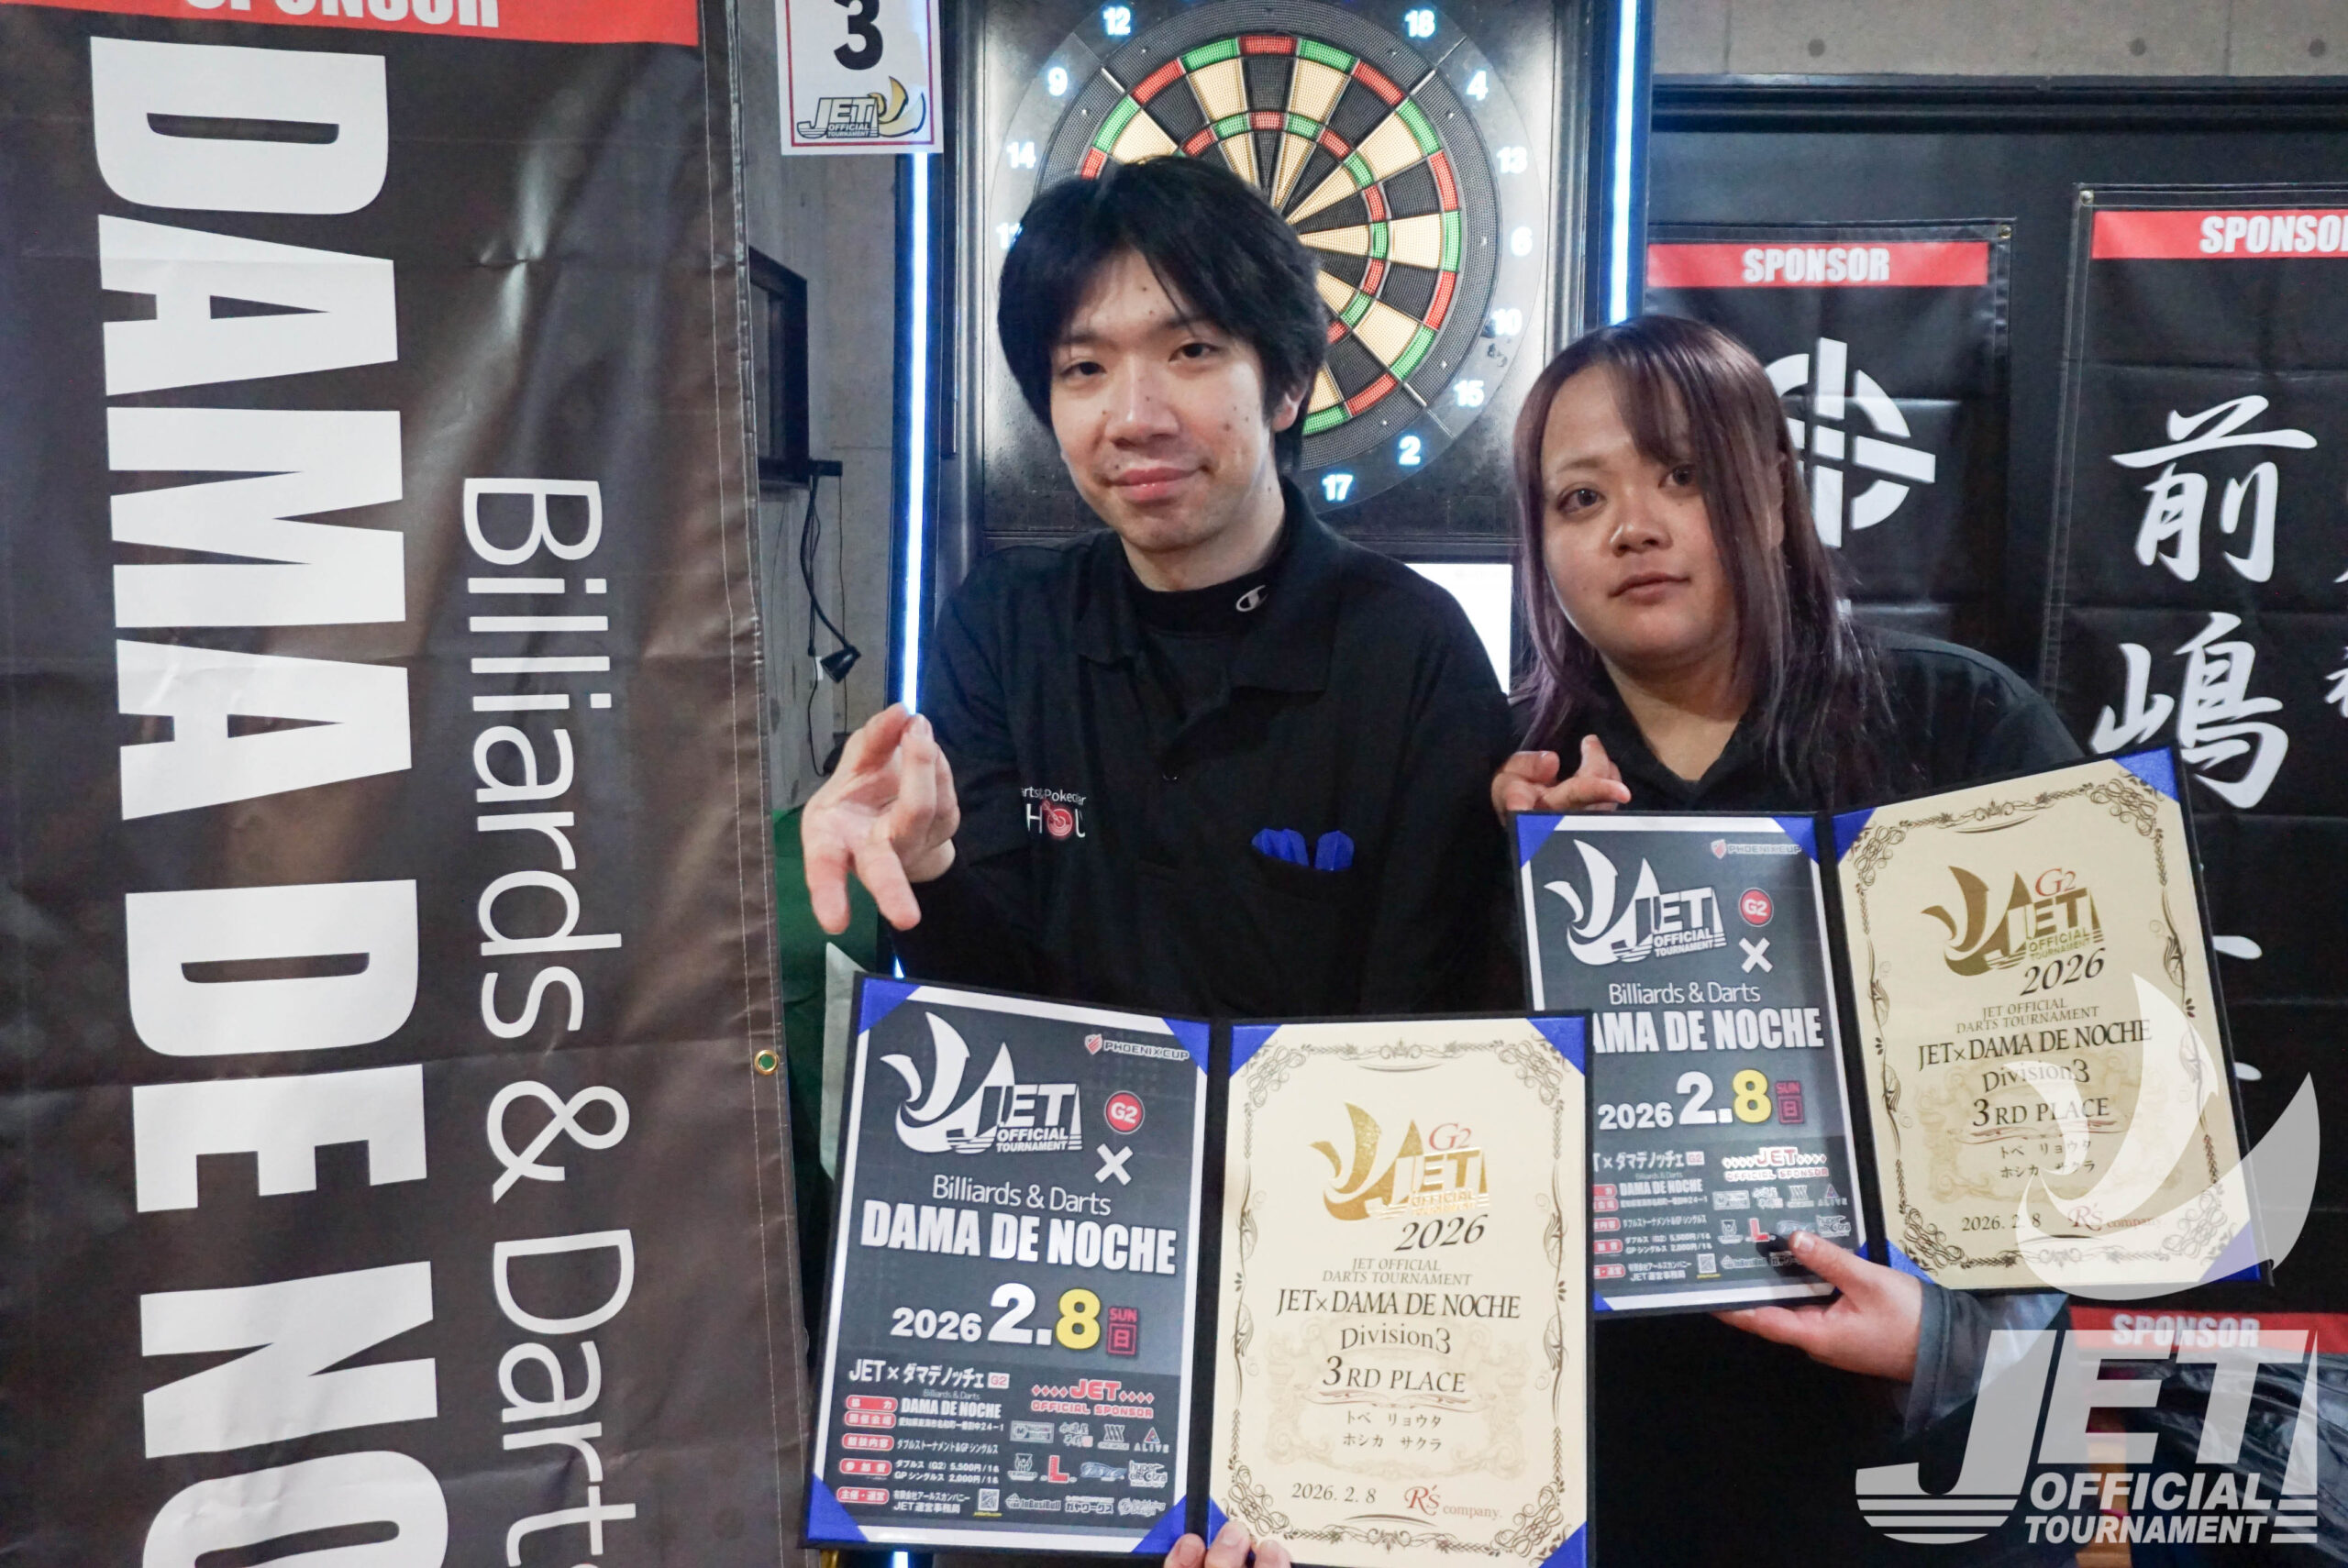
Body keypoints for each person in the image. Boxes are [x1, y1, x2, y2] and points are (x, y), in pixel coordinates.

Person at [1491, 314, 2073, 1564]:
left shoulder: (1959, 726)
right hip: (1599, 1470)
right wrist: (1503, 880)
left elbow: (2099, 1085)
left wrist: (1954, 1335)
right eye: (1580, 497)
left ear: (1770, 493)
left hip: (1910, 1474)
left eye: (1681, 474)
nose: (1633, 525)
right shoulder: (1505, 787)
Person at [802, 153, 1513, 1021]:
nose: (1135, 418)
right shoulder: (1005, 625)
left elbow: (1426, 1022)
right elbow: (989, 1006)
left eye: (1193, 350)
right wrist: (927, 865)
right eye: (1084, 368)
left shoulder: (1411, 648)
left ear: (1288, 384)